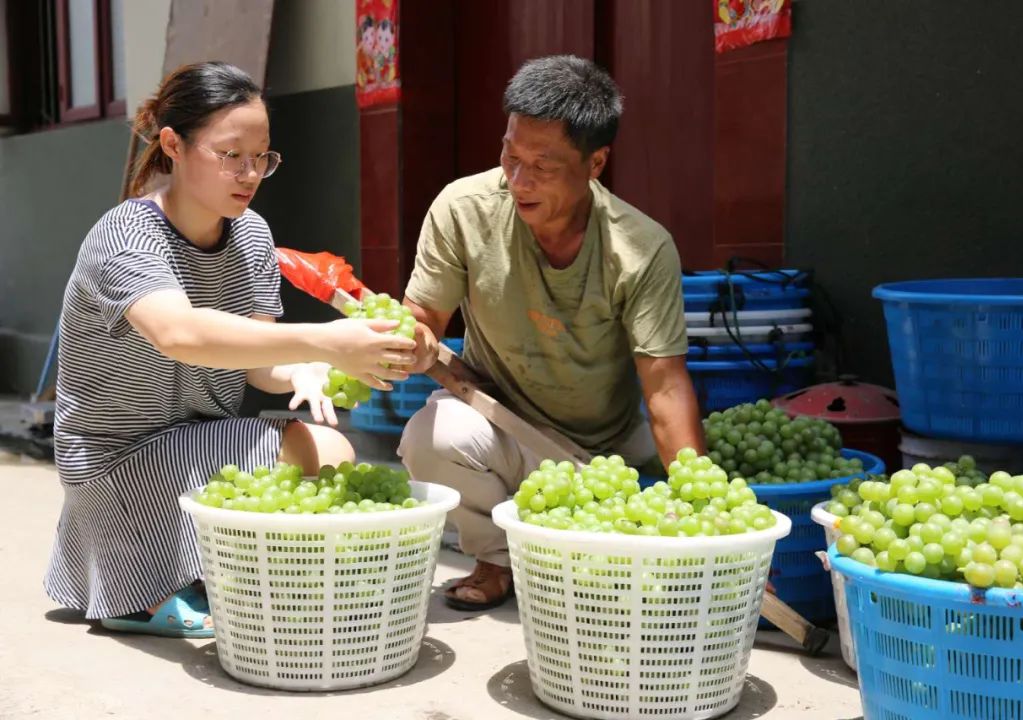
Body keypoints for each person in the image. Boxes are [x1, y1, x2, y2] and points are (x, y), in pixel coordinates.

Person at [44, 62, 416, 638]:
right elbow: (181, 335)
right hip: (112, 457)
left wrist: (304, 372)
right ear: (173, 145)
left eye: (261, 157)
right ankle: (142, 589)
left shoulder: (252, 234)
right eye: (230, 154)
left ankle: (222, 578)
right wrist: (322, 339)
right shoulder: (125, 235)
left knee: (329, 448)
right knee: (316, 456)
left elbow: (258, 365)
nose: (249, 174)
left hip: (193, 441)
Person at [399, 55, 706, 611]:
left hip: (608, 449)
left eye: (542, 165)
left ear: (595, 164)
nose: (519, 180)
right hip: (505, 426)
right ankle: (494, 557)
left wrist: (702, 505)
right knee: (432, 436)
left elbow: (663, 386)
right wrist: (410, 344)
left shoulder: (641, 248)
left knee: (631, 572)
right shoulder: (463, 209)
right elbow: (422, 320)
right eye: (510, 156)